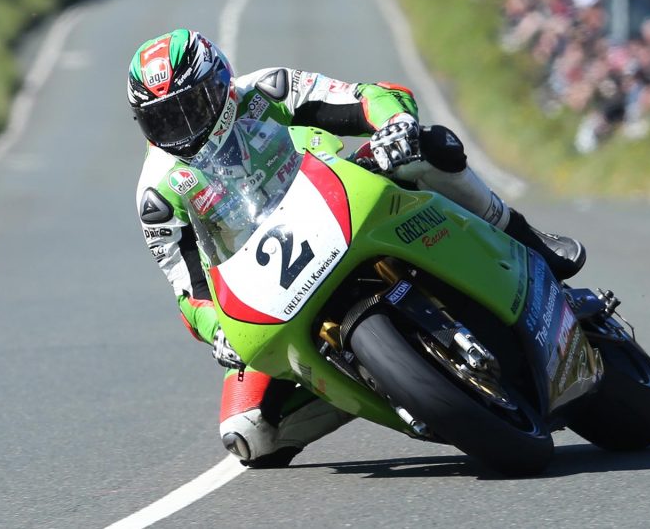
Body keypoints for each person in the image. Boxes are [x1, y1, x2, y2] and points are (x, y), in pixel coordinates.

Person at [128, 29, 587, 468]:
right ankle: (377, 381)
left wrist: (395, 124)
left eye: (192, 107)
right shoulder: (158, 195)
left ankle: (524, 237)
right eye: (164, 118)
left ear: (221, 85)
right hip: (270, 284)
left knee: (428, 148)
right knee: (249, 435)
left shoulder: (267, 90)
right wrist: (217, 332)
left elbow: (364, 96)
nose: (182, 127)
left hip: (341, 197)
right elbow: (189, 291)